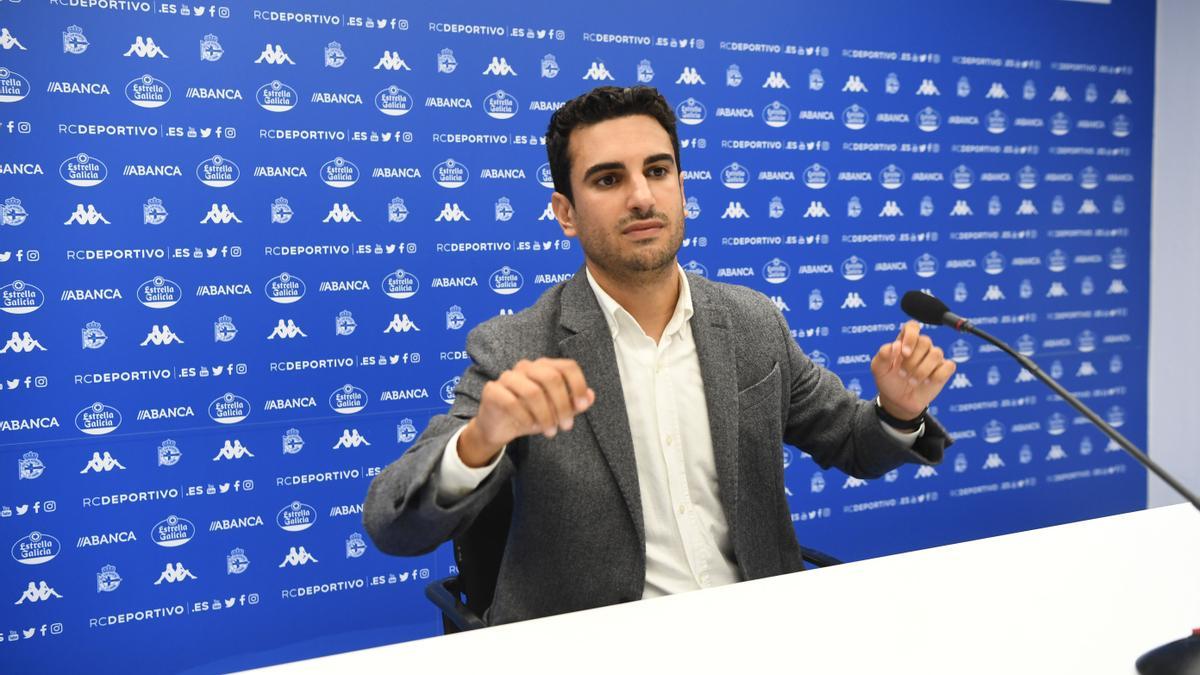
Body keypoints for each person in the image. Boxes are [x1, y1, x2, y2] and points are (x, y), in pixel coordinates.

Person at [363, 86, 956, 625]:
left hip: (764, 629)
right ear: (565, 213)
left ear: (681, 186)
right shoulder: (515, 347)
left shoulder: (752, 322)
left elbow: (854, 442)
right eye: (607, 179)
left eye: (657, 170)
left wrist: (897, 412)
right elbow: (395, 525)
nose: (642, 196)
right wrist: (480, 443)